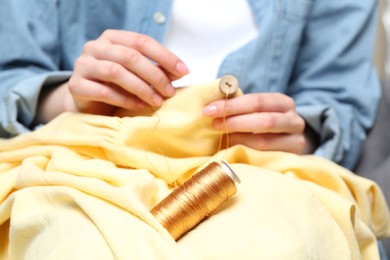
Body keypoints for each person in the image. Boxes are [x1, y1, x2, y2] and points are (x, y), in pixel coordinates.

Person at [0, 2, 380, 167]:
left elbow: (340, 98)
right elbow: (10, 76)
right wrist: (70, 98)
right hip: (83, 160)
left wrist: (300, 136)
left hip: (262, 174)